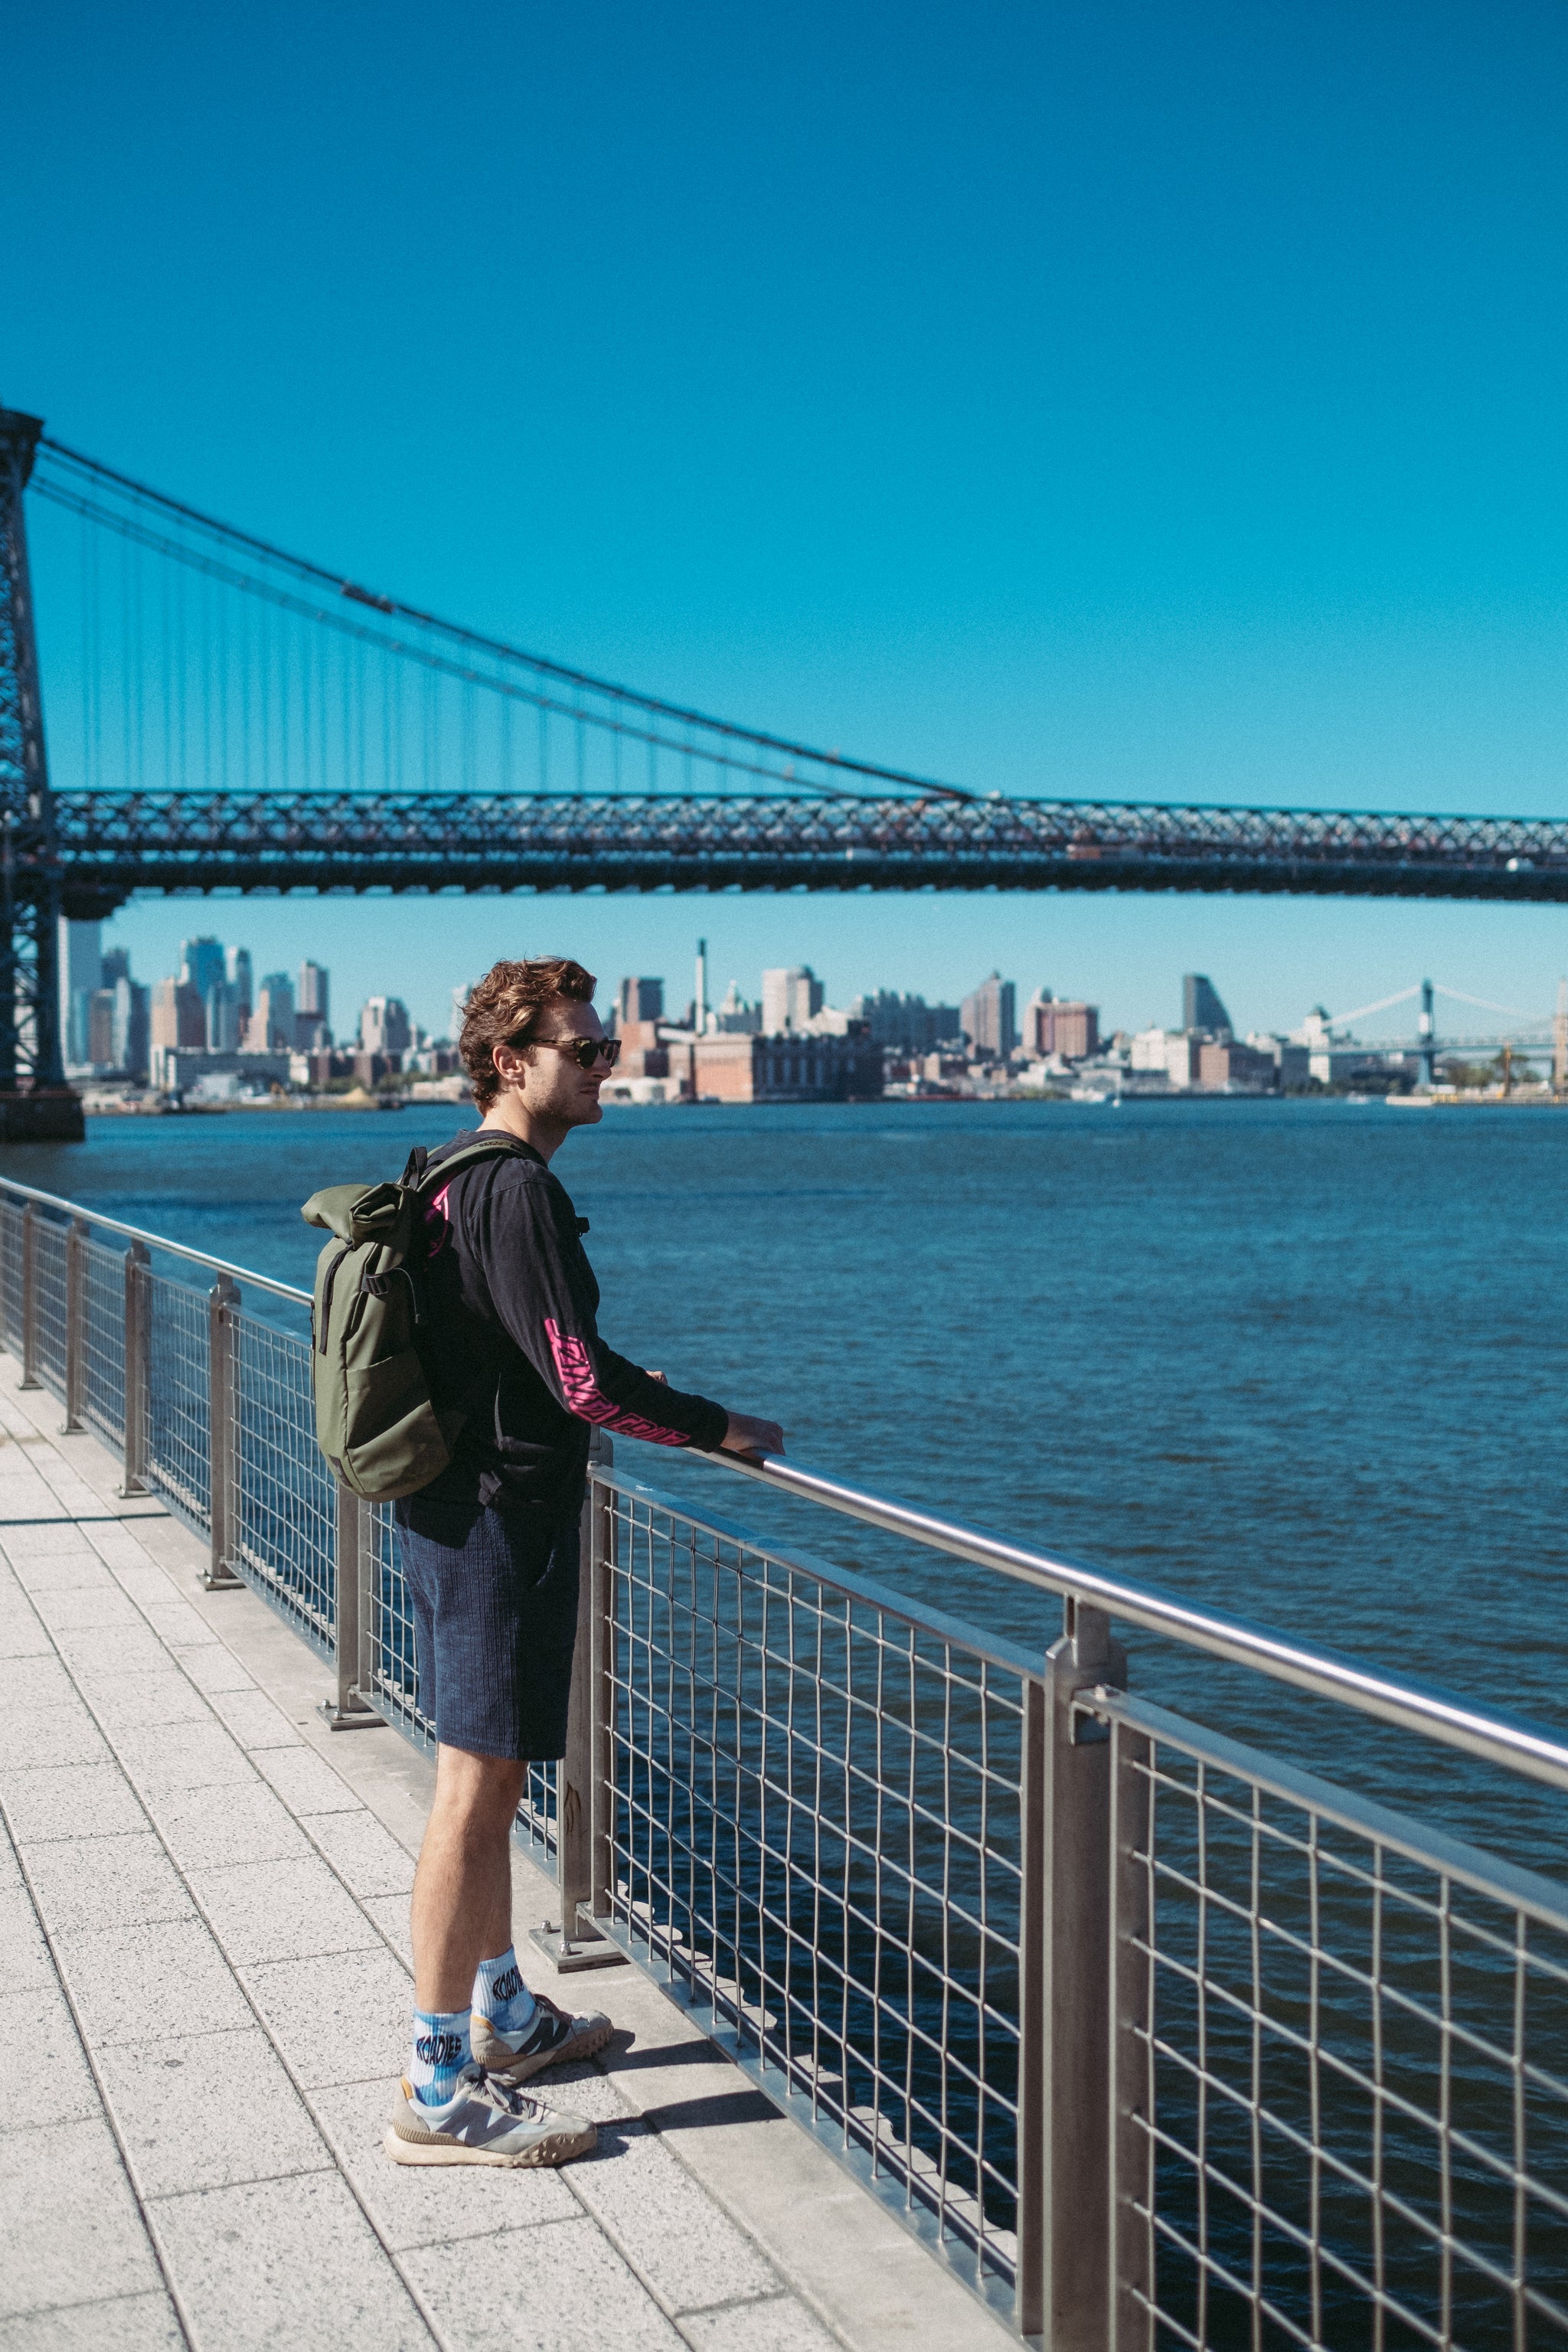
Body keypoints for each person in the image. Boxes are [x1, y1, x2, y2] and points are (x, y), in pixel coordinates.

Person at [385, 955, 784, 2168]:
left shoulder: (455, 1172)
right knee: (470, 1791)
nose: (609, 1063)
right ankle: (435, 2086)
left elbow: (530, 1348)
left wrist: (626, 1381)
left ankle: (504, 2015)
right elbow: (572, 1380)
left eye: (605, 1044)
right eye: (585, 1048)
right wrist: (717, 1426)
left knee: (491, 1780)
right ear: (514, 1064)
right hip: (496, 1515)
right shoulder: (515, 1191)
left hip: (463, 1503)